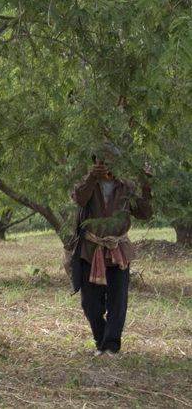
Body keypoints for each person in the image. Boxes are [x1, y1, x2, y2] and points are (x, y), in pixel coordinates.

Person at [70, 146, 153, 356]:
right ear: (95, 162)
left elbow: (144, 213)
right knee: (90, 302)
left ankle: (110, 346)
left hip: (119, 252)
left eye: (110, 160)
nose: (105, 164)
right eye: (101, 160)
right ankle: (100, 339)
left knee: (118, 300)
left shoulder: (128, 187)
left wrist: (146, 187)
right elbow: (79, 199)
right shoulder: (86, 183)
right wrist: (91, 177)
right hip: (91, 250)